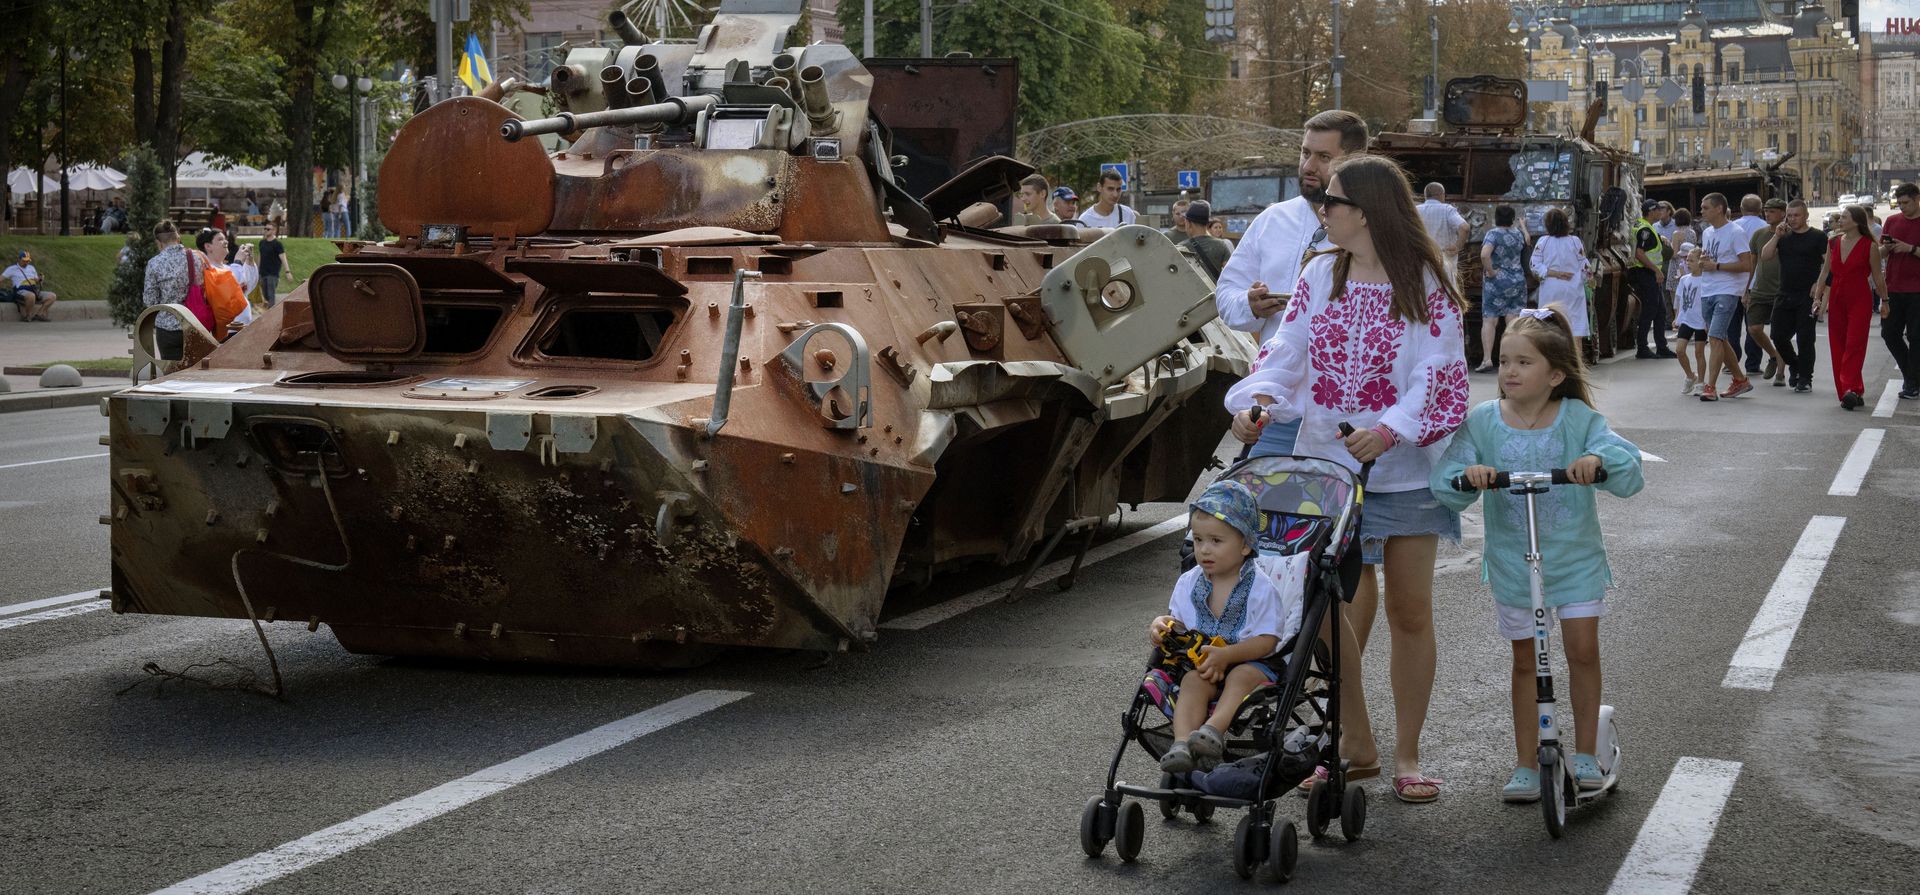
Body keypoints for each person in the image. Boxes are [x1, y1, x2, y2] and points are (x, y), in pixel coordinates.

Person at [1226, 153, 1470, 804]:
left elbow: (1439, 373)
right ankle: (1352, 740)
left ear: (1364, 211)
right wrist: (1255, 403)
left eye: (1330, 201)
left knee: (1409, 609)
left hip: (1406, 468)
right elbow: (1285, 354)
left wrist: (1391, 428)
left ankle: (1408, 754)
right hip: (1326, 471)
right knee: (1325, 614)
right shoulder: (1319, 273)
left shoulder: (1424, 278)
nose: (1322, 211)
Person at [1431, 306, 1644, 802]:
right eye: (1504, 360)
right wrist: (1470, 475)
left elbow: (1626, 463)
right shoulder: (1483, 422)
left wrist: (1597, 461)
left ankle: (1588, 752)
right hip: (1513, 562)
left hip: (1573, 558)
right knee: (1526, 661)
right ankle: (1527, 762)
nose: (1509, 371)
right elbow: (1446, 478)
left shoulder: (1580, 419)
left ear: (1555, 374)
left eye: (1523, 362)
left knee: (1581, 651)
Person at [1217, 109, 1371, 458]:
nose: (1309, 166)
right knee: (1262, 509)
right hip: (1276, 409)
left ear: (1356, 160)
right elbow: (1225, 297)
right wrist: (1249, 305)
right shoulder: (1271, 221)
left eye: (1324, 157)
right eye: (1305, 153)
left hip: (1349, 418)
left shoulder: (1368, 230)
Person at [1151, 481, 1302, 774]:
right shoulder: (1189, 582)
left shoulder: (1260, 588)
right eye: (1197, 540)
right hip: (1204, 665)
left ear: (1245, 545)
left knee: (1242, 675)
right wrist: (1161, 625)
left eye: (1216, 541)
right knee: (1192, 682)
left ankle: (1212, 731)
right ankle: (1182, 743)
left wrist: (1228, 656)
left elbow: (1268, 641)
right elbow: (1177, 623)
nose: (1204, 550)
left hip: (1252, 662)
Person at [1813, 204, 1887, 410]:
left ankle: (1850, 389)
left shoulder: (1869, 245)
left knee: (1854, 344)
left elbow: (1878, 277)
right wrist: (1817, 298)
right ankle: (1852, 389)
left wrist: (1885, 301)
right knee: (1838, 345)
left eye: (1844, 217)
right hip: (1837, 297)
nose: (1839, 220)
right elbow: (1824, 272)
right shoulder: (1833, 242)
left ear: (1856, 221)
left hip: (1859, 298)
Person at [1694, 193, 1756, 401]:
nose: (1701, 211)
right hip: (1708, 289)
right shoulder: (1708, 232)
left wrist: (1717, 266)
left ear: (1719, 208)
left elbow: (1747, 265)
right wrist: (1704, 261)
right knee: (1719, 337)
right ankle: (1740, 379)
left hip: (1727, 290)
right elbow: (1710, 257)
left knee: (1715, 337)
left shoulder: (1735, 232)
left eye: (1705, 207)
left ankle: (1710, 387)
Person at [1765, 201, 1828, 394]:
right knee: (1777, 335)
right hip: (1785, 293)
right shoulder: (1783, 236)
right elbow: (1765, 256)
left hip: (1807, 296)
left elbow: (1829, 265)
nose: (1792, 219)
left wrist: (1819, 284)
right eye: (1789, 215)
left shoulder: (1818, 236)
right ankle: (1796, 365)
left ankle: (1805, 378)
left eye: (1796, 215)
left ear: (1806, 216)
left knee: (1805, 339)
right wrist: (1776, 236)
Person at [1742, 198, 1790, 385]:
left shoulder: (1790, 234)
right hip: (1760, 289)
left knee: (1779, 333)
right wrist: (1746, 290)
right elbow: (1753, 264)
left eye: (1772, 211)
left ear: (1782, 213)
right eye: (1766, 211)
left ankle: (1780, 373)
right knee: (1753, 328)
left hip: (1782, 290)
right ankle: (1773, 355)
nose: (1767, 214)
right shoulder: (1758, 234)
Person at [1477, 204, 1529, 373]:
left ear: (1496, 217)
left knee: (1490, 320)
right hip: (1517, 280)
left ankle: (1487, 359)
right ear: (1512, 219)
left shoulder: (1493, 234)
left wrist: (1491, 271)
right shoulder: (1518, 234)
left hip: (1496, 282)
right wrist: (1523, 226)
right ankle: (1510, 359)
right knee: (1513, 321)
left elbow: (1485, 254)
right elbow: (1528, 241)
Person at [1880, 182, 1920, 400]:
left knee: (1916, 337)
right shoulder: (1892, 221)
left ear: (1917, 199)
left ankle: (1912, 384)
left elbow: (1910, 248)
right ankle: (1912, 375)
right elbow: (1881, 253)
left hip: (1917, 291)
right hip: (1894, 287)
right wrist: (1885, 249)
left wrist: (1910, 249)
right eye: (1899, 203)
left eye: (1906, 203)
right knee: (1889, 333)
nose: (1902, 207)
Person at [1530, 208, 1589, 339]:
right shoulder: (1575, 241)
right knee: (1575, 329)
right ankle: (1575, 358)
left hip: (1550, 290)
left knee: (1550, 326)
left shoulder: (1542, 242)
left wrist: (1555, 274)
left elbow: (1534, 266)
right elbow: (1585, 267)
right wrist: (1585, 280)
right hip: (1573, 289)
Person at [143, 220, 194, 360]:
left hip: (166, 327)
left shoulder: (154, 263)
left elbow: (150, 300)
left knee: (171, 374)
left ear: (158, 242)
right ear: (178, 238)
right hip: (194, 324)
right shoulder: (196, 258)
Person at [1628, 200, 1673, 359]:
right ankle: (1642, 348)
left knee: (1660, 311)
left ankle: (1661, 346)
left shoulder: (1644, 225)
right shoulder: (1645, 229)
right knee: (1649, 311)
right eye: (1658, 209)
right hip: (1646, 273)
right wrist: (1656, 271)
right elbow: (1639, 253)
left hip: (1648, 273)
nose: (1661, 211)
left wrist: (1660, 237)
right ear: (1651, 211)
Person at [1416, 182, 1468, 291]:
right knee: (1446, 295)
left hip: (1421, 261)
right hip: (1445, 262)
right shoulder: (1447, 210)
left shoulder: (1416, 210)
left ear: (1425, 196)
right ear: (1442, 194)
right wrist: (1457, 246)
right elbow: (1464, 228)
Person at [1672, 245, 1709, 394]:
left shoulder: (1706, 280)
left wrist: (1707, 321)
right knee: (1680, 350)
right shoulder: (1684, 280)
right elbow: (1679, 299)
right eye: (1687, 260)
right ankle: (1690, 376)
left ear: (1700, 262)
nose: (1688, 263)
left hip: (1700, 320)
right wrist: (1676, 317)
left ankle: (1701, 381)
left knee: (1699, 352)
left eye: (1691, 260)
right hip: (1686, 319)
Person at [1179, 200, 1233, 279]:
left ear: (1188, 223)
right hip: (1215, 290)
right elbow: (1231, 275)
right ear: (1207, 224)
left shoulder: (1181, 248)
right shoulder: (1221, 245)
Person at [3, 251, 57, 321]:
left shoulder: (31, 268)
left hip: (33, 290)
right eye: (24, 261)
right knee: (31, 296)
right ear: (19, 259)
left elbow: (36, 281)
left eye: (28, 261)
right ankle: (27, 316)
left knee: (52, 296)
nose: (26, 263)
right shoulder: (12, 269)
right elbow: (1, 279)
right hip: (20, 291)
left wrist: (40, 279)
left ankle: (39, 314)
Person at [257, 222, 292, 308]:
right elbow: (260, 257)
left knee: (270, 295)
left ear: (274, 231)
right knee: (265, 295)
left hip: (272, 274)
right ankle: (267, 312)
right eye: (265, 229)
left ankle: (270, 312)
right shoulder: (262, 243)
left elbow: (283, 258)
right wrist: (257, 271)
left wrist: (288, 272)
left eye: (268, 229)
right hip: (263, 273)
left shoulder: (277, 244)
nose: (266, 231)